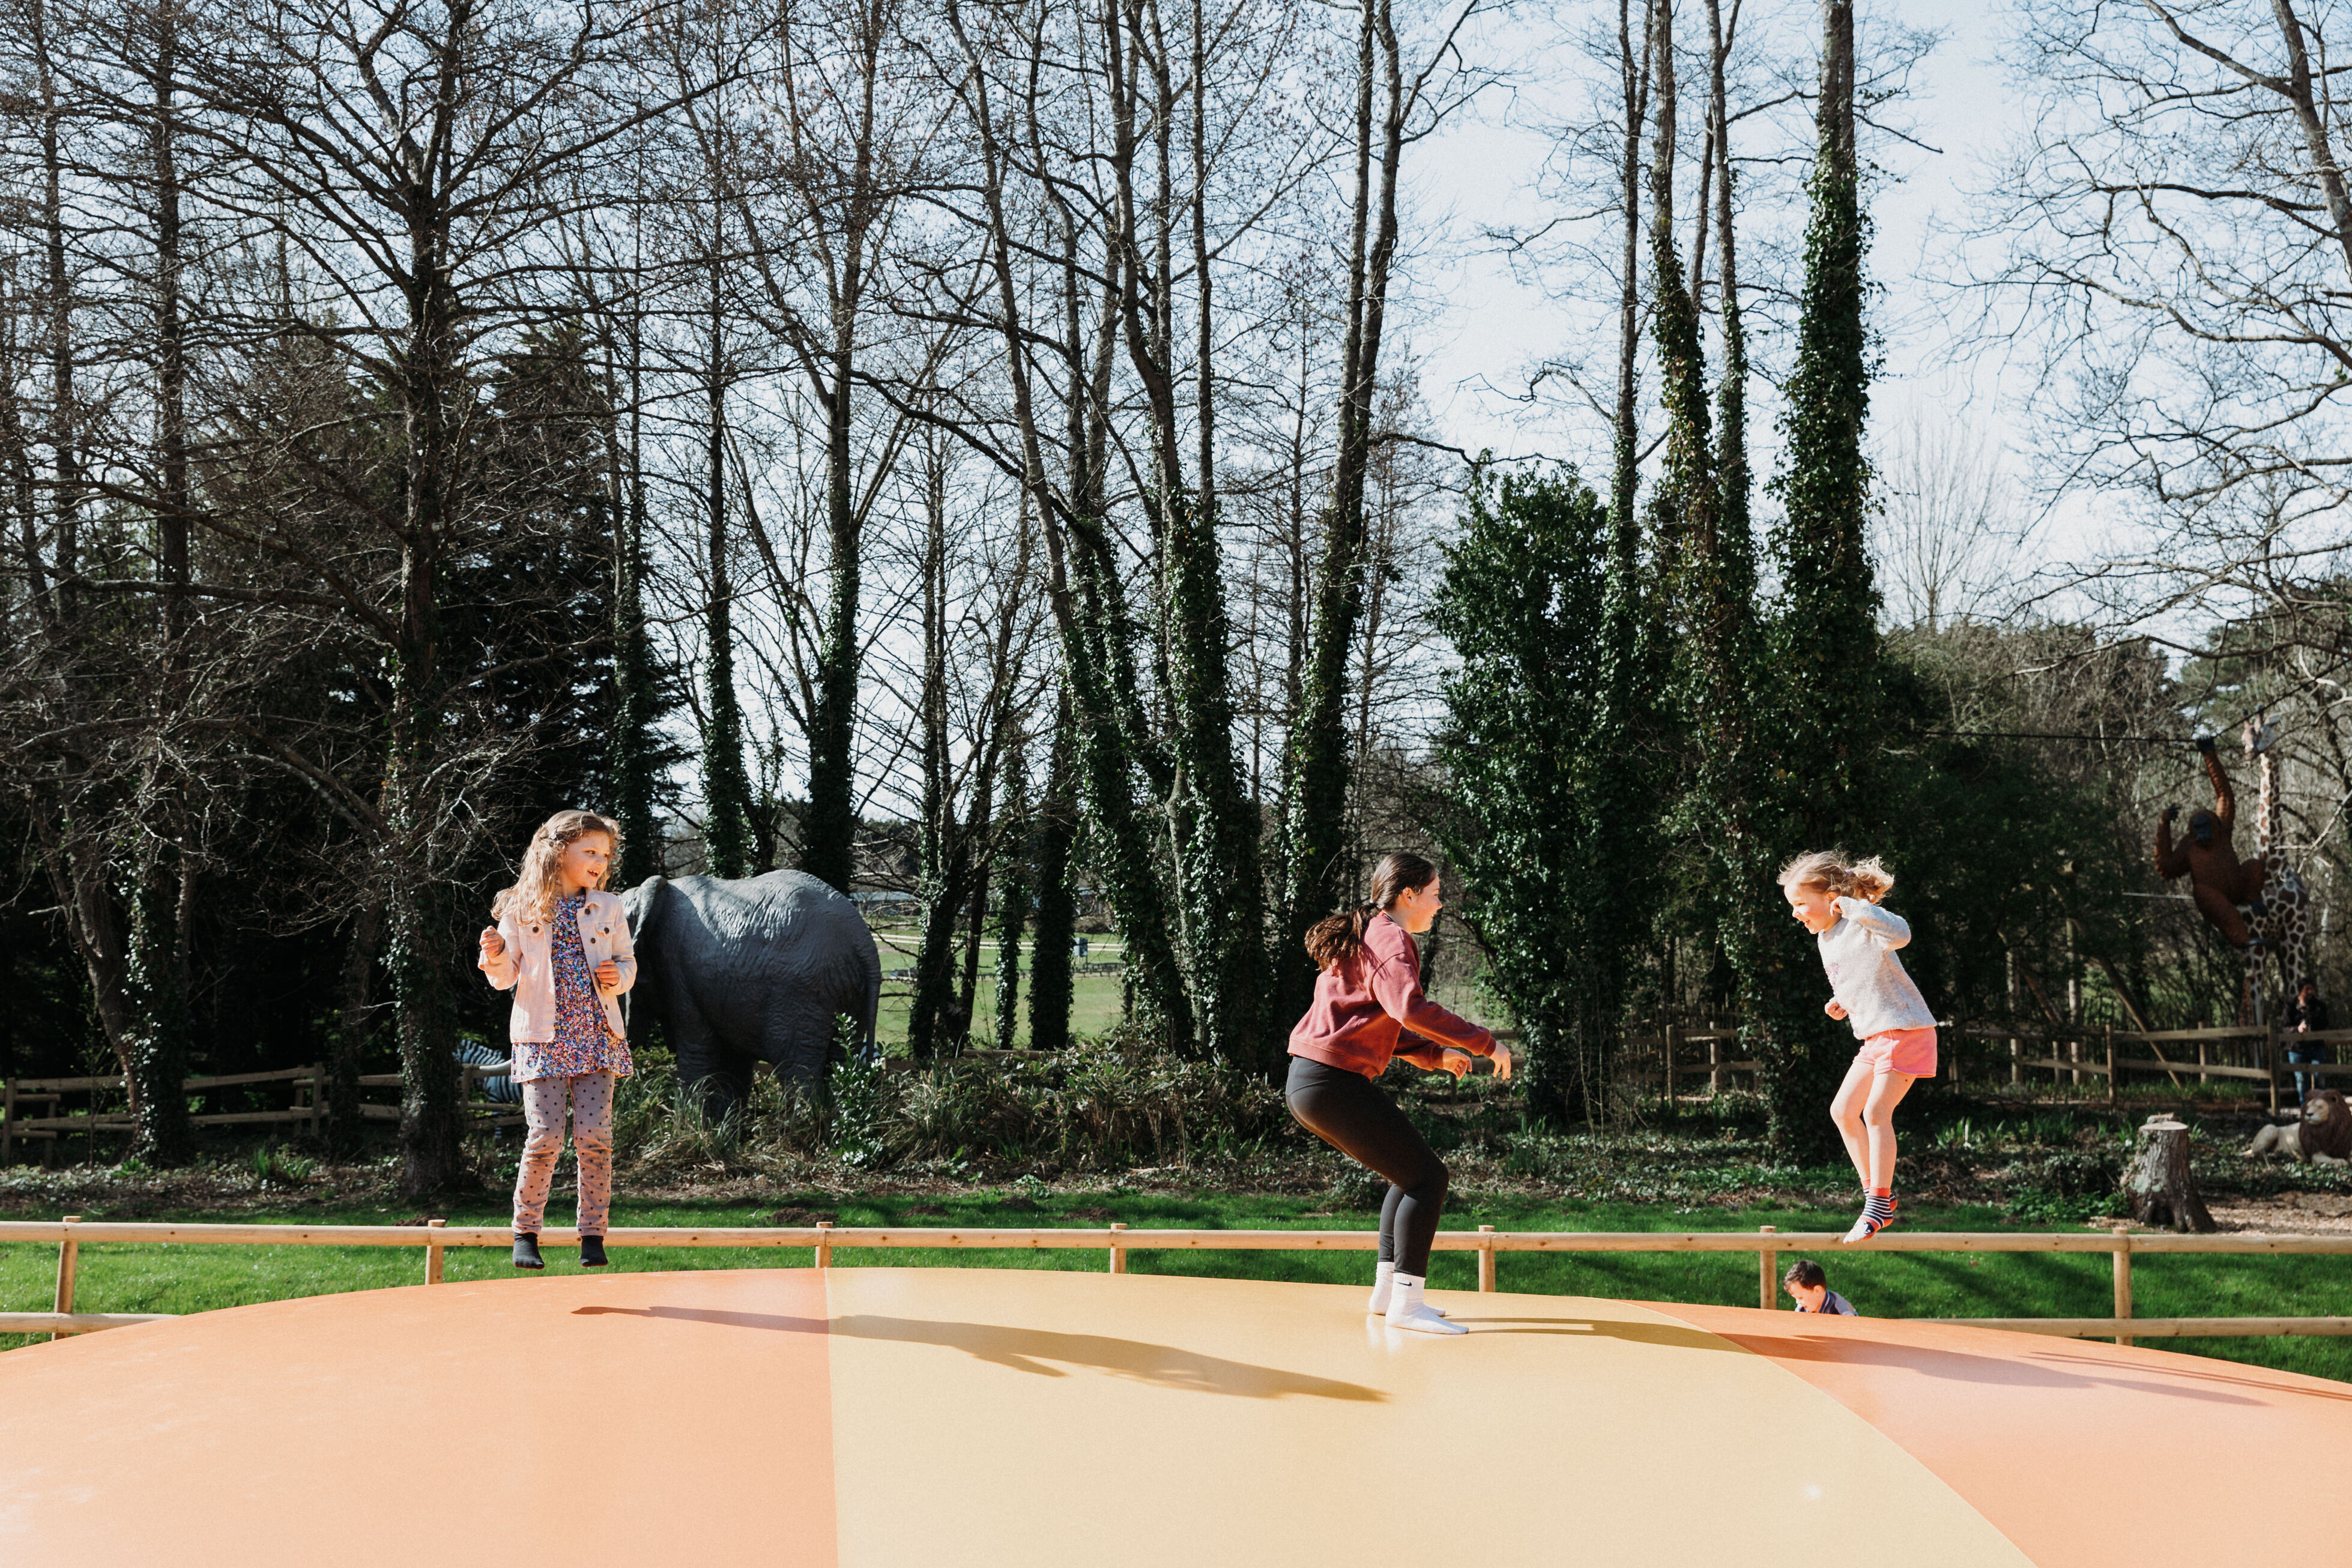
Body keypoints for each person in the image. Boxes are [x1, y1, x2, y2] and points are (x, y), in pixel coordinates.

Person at [1286, 852, 1510, 1336]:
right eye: (1433, 894)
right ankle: (1407, 1307)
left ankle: (1389, 1295)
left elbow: (1379, 1016)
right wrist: (1483, 1042)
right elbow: (1409, 1008)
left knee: (1408, 1176)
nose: (1440, 903)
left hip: (1312, 1082)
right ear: (1407, 896)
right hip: (1330, 1083)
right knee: (1428, 1178)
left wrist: (1435, 1056)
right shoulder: (1390, 937)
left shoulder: (1371, 933)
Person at [479, 810, 637, 1270]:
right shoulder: (521, 909)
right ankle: (525, 1232)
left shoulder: (609, 907)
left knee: (594, 1137)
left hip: (596, 1037)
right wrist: (494, 955)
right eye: (589, 851)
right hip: (541, 1039)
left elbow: (627, 962)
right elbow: (504, 978)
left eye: (604, 854)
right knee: (546, 1136)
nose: (599, 861)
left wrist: (619, 976)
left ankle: (592, 1235)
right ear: (556, 852)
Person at [1780, 849, 1938, 1246]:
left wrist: (1854, 906)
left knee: (1875, 1112)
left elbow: (1900, 935)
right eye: (1792, 906)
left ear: (1830, 895)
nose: (1796, 913)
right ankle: (1875, 1196)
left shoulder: (1858, 919)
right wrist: (1841, 1003)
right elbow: (1855, 978)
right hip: (1874, 1037)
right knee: (1842, 1111)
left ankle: (1878, 1204)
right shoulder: (1825, 939)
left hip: (1905, 1030)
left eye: (1801, 903)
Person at [2285, 979, 2331, 1108]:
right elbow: (2284, 1026)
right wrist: (2297, 1029)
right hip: (2296, 1049)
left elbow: (2325, 1024)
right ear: (2301, 990)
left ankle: (2320, 1108)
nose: (2311, 992)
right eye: (2307, 989)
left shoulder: (2319, 1006)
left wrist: (2312, 1019)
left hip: (2316, 1047)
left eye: (2312, 989)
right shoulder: (2291, 1006)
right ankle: (2304, 1109)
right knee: (2301, 1081)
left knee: (2319, 1078)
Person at [1782, 1258, 1858, 1316]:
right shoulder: (1803, 1307)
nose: (1797, 1302)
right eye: (1796, 1298)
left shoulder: (1841, 1313)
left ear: (1817, 1290)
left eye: (1800, 1298)